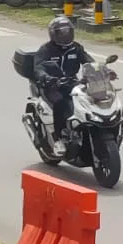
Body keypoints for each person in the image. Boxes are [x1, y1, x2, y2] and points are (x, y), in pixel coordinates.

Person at [31, 16, 93, 152]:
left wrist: (102, 71)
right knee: (60, 103)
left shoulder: (76, 48)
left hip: (72, 82)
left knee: (90, 100)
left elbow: (89, 62)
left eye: (68, 32)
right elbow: (38, 68)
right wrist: (46, 77)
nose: (65, 36)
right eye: (61, 33)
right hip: (52, 85)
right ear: (53, 34)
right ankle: (59, 139)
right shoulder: (46, 49)